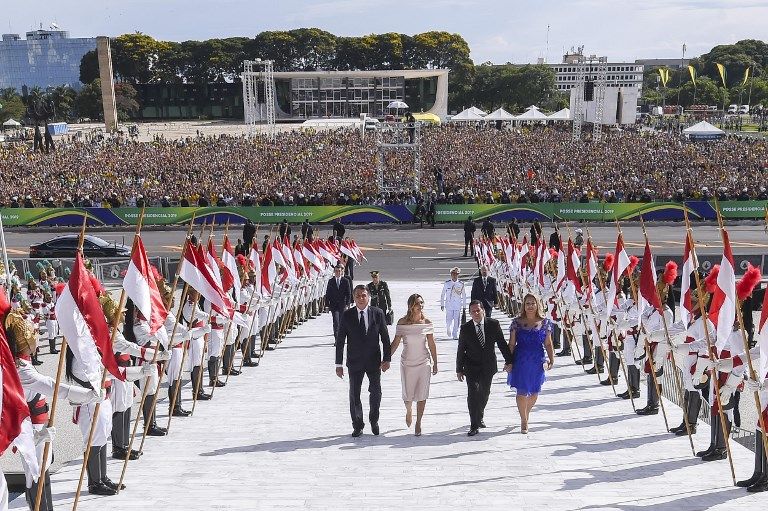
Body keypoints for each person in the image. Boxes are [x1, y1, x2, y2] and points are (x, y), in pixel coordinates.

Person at [335, 285, 391, 437]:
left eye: (364, 295)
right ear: (353, 298)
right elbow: (340, 341)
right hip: (355, 362)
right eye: (358, 296)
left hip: (374, 361)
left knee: (376, 392)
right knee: (354, 394)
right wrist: (338, 364)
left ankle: (374, 420)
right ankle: (358, 425)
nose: (361, 298)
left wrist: (387, 359)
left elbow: (385, 338)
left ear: (369, 297)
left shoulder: (378, 313)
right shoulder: (347, 315)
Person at [456, 300, 513, 436]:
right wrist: (459, 369)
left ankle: (479, 415)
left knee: (484, 393)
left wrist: (509, 361)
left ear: (483, 310)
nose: (476, 313)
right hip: (471, 366)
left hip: (488, 365)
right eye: (473, 311)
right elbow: (461, 349)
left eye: (478, 310)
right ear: (470, 313)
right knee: (473, 392)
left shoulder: (493, 324)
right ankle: (473, 424)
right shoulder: (465, 328)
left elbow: (502, 344)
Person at [506, 293, 555, 434]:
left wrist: (551, 359)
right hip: (520, 360)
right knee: (521, 391)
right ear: (524, 306)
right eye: (527, 303)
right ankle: (523, 420)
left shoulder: (545, 323)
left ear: (537, 305)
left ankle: (526, 412)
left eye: (533, 303)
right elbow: (511, 344)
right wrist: (509, 361)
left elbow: (548, 343)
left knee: (534, 392)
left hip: (537, 360)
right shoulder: (517, 322)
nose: (530, 306)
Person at [390, 294, 437, 436]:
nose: (420, 305)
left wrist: (435, 362)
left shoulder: (427, 322)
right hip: (407, 363)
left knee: (422, 393)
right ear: (411, 305)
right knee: (408, 395)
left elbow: (432, 344)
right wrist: (386, 359)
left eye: (421, 303)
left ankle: (419, 422)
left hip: (424, 362)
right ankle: (409, 410)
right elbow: (395, 343)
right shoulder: (402, 322)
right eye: (417, 303)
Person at [325, 264, 352, 343]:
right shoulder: (331, 281)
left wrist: (348, 304)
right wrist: (327, 305)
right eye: (336, 271)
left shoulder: (345, 281)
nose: (338, 273)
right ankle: (337, 340)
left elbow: (348, 293)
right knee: (336, 322)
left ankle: (342, 338)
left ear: (342, 271)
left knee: (342, 322)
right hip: (334, 306)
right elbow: (328, 293)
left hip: (342, 305)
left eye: (339, 271)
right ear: (334, 272)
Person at [440, 267, 466, 339]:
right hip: (449, 305)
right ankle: (448, 328)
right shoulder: (447, 283)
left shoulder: (461, 284)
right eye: (453, 274)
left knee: (456, 320)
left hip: (457, 305)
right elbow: (443, 294)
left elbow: (464, 295)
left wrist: (464, 306)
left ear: (458, 275)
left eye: (456, 274)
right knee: (449, 320)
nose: (454, 275)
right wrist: (442, 304)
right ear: (451, 274)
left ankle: (455, 334)